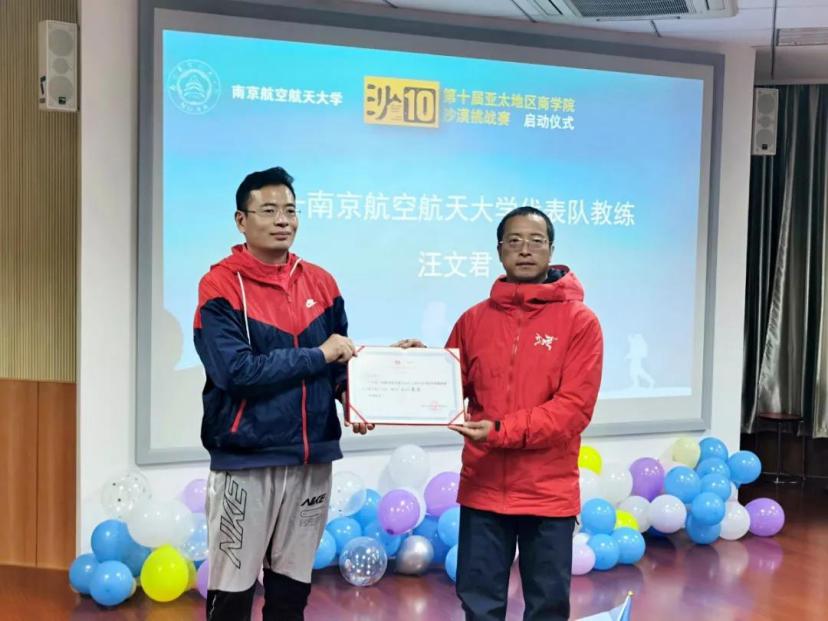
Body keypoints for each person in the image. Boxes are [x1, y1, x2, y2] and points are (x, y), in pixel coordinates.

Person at [399, 205, 603, 620]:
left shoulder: (580, 322)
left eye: (536, 241)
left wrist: (499, 429)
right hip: (484, 487)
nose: (525, 250)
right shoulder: (474, 320)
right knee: (479, 604)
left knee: (547, 607)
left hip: (548, 493)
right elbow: (450, 387)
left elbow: (573, 410)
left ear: (551, 250)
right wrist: (417, 368)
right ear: (499, 250)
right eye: (515, 241)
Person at [193, 166, 370, 621]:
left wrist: (361, 393)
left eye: (290, 210)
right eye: (269, 210)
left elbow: (339, 362)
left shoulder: (322, 282)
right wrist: (319, 355)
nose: (282, 220)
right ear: (241, 220)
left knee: (291, 593)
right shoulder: (220, 286)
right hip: (247, 462)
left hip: (312, 460)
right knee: (232, 594)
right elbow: (235, 372)